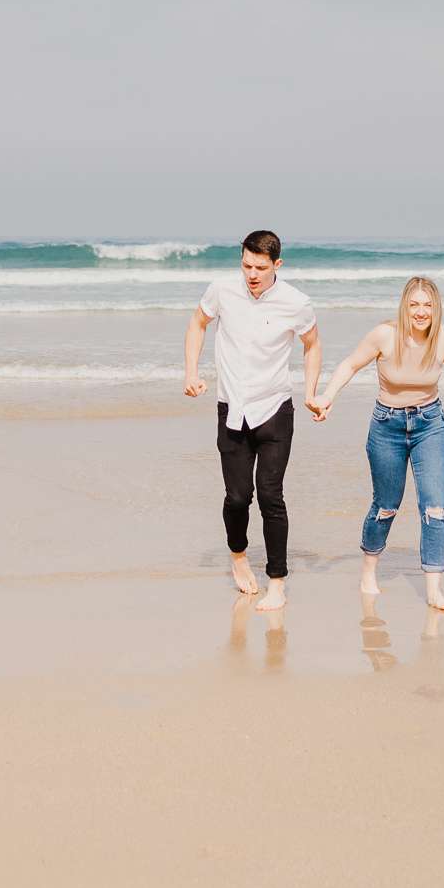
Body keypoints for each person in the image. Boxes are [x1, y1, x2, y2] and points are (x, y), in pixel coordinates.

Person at [310, 277, 444, 610]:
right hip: (387, 426)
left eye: (427, 305)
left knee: (435, 507)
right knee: (386, 505)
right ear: (404, 306)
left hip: (430, 425)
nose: (421, 311)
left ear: (436, 308)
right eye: (414, 304)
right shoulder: (384, 335)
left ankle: (433, 590)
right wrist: (327, 396)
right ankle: (369, 570)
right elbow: (350, 364)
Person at [184, 230, 321, 613]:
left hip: (275, 409)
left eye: (260, 267)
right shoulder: (221, 291)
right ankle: (239, 555)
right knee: (238, 497)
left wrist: (311, 391)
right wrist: (190, 372)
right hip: (233, 408)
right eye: (246, 266)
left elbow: (312, 344)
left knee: (271, 496)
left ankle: (277, 582)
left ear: (277, 265)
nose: (252, 274)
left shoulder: (296, 303)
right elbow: (197, 323)